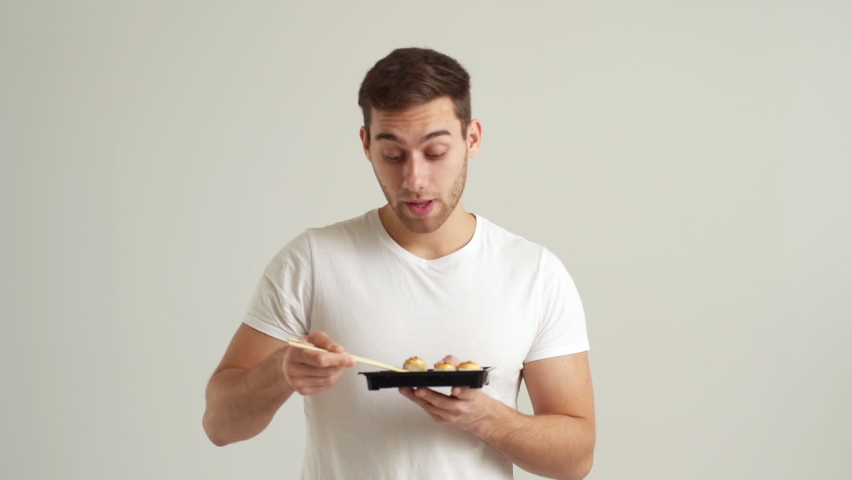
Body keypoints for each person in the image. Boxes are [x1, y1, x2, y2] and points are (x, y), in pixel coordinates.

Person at [202, 47, 595, 480]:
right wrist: (280, 372)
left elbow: (575, 459)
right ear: (367, 145)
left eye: (436, 152)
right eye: (393, 155)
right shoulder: (312, 260)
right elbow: (220, 425)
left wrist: (485, 418)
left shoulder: (534, 273)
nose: (414, 180)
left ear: (472, 139)